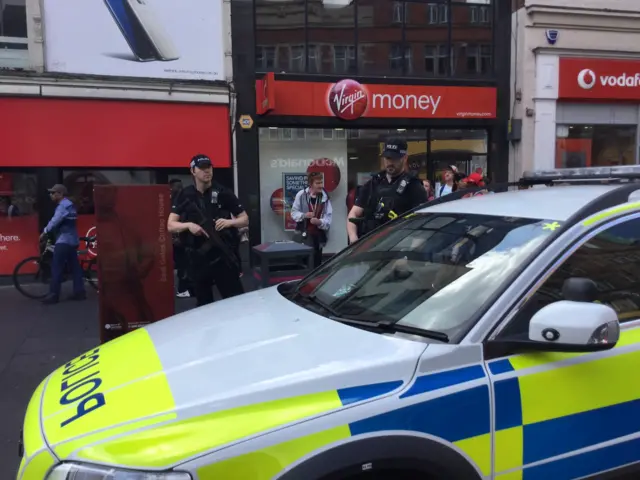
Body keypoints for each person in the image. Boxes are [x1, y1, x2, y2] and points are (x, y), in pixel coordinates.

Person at [167, 154, 249, 307]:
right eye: (202, 168)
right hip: (198, 259)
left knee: (236, 303)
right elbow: (171, 225)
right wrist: (189, 226)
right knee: (203, 305)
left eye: (209, 167)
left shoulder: (223, 192)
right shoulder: (186, 195)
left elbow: (244, 219)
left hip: (222, 258)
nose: (207, 171)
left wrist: (229, 222)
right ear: (193, 171)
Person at [347, 137, 428, 244]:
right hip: (370, 245)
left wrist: (409, 252)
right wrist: (353, 239)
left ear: (405, 158)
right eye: (387, 158)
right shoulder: (373, 183)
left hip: (398, 246)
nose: (389, 162)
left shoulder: (414, 186)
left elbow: (422, 223)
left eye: (394, 158)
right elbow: (353, 214)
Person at [40, 184, 86, 304]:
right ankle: (79, 292)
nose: (51, 195)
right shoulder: (70, 205)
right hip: (71, 240)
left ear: (60, 194)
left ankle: (54, 295)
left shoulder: (63, 206)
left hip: (64, 241)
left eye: (53, 192)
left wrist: (45, 232)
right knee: (75, 268)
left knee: (56, 268)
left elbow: (55, 221)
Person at [291, 171, 333, 268]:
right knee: (304, 264)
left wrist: (320, 222)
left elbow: (328, 217)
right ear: (311, 184)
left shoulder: (325, 197)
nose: (321, 185)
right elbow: (294, 213)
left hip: (318, 236)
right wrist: (304, 215)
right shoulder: (301, 195)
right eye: (317, 183)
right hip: (303, 235)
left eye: (321, 182)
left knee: (316, 263)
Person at [169, 178, 192, 298]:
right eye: (178, 186)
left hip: (182, 238)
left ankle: (185, 287)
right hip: (176, 239)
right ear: (171, 188)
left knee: (185, 264)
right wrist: (174, 237)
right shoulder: (170, 203)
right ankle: (182, 289)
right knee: (182, 265)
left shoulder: (181, 201)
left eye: (181, 186)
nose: (180, 189)